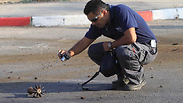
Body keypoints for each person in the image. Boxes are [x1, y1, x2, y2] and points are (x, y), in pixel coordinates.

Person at [58, 0, 157, 91]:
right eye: (91, 21)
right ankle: (124, 76)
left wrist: (111, 45)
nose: (93, 23)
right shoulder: (98, 24)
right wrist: (69, 53)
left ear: (104, 13)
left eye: (95, 19)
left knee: (123, 51)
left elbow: (131, 38)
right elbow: (84, 41)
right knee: (94, 51)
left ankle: (137, 79)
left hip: (147, 48)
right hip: (128, 48)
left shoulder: (121, 11)